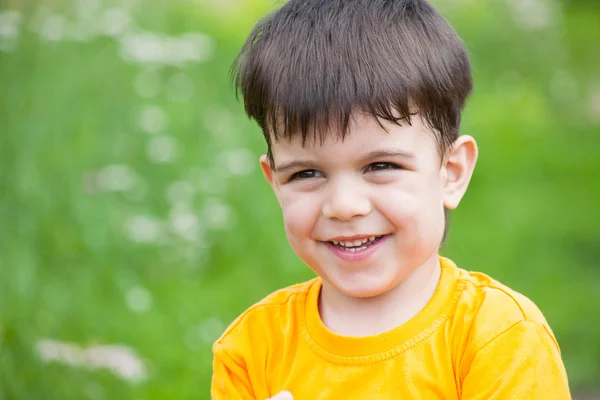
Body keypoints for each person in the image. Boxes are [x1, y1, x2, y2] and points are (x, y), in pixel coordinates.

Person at [211, 0, 571, 398]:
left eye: (381, 166)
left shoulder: (498, 338)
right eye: (307, 173)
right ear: (275, 183)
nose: (344, 206)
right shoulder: (251, 349)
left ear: (450, 172)